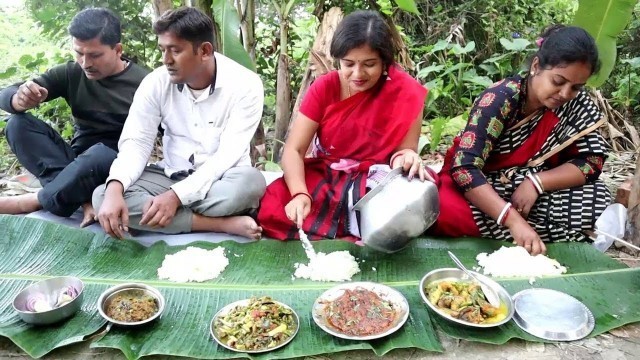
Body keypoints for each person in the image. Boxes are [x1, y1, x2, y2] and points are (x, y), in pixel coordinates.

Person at [430, 25, 611, 255]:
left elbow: (591, 162)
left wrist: (536, 183)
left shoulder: (576, 104)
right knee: (441, 209)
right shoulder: (500, 98)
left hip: (529, 190)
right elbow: (464, 169)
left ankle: (521, 227)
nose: (565, 94)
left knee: (598, 198)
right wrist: (512, 219)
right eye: (558, 81)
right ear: (536, 66)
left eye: (575, 87)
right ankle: (521, 227)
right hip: (480, 188)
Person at [93, 7, 265, 239]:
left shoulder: (246, 84)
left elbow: (226, 157)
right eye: (163, 50)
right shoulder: (155, 82)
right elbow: (137, 142)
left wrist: (176, 197)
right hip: (169, 174)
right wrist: (115, 187)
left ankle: (164, 216)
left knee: (249, 185)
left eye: (175, 50)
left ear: (204, 50)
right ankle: (219, 224)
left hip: (221, 179)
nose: (166, 60)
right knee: (102, 196)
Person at [257, 10, 431, 241]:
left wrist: (407, 158)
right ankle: (354, 231)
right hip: (329, 175)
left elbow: (404, 153)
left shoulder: (406, 92)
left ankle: (348, 230)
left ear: (385, 62)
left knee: (412, 207)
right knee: (274, 208)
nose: (357, 74)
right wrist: (300, 194)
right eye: (348, 64)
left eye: (369, 64)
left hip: (376, 180)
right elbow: (294, 150)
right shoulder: (324, 87)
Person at [0, 8, 149, 226]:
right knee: (17, 124)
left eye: (95, 55)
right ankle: (81, 200)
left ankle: (34, 201)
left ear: (117, 49)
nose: (85, 62)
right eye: (79, 53)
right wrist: (19, 99)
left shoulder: (146, 83)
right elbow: (5, 94)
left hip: (117, 167)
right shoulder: (72, 73)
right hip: (74, 162)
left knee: (101, 154)